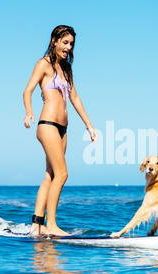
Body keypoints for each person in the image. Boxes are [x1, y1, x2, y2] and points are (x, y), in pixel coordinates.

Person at [23, 25, 97, 237]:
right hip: (47, 125)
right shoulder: (43, 64)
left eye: (71, 44)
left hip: (63, 128)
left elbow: (74, 98)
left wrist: (89, 125)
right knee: (63, 174)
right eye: (65, 42)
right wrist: (29, 112)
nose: (68, 47)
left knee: (51, 175)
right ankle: (52, 225)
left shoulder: (66, 68)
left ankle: (36, 225)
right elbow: (27, 90)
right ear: (54, 41)